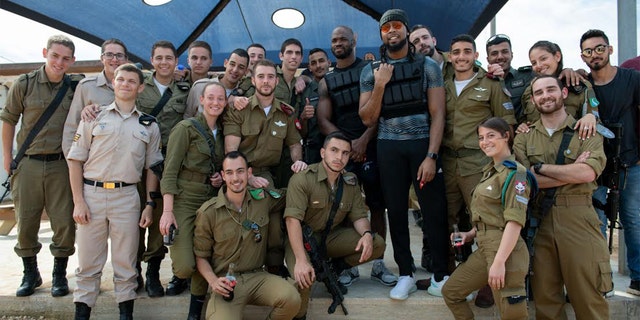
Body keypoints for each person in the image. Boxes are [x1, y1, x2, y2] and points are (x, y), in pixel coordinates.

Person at [359, 9, 450, 300]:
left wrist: (432, 156)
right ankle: (406, 274)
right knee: (395, 212)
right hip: (389, 148)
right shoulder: (369, 71)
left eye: (397, 25)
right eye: (386, 28)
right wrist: (381, 84)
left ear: (406, 31)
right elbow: (367, 118)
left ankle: (440, 275)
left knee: (434, 212)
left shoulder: (427, 67)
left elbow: (438, 115)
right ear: (381, 35)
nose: (391, 31)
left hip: (422, 145)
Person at [68, 63, 163, 319]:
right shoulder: (93, 117)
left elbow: (153, 168)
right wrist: (79, 201)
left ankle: (125, 314)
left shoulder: (149, 126)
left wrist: (149, 204)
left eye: (131, 81)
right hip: (93, 194)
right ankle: (82, 314)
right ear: (113, 83)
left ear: (140, 87)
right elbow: (75, 159)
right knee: (88, 262)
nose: (125, 84)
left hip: (126, 197)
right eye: (120, 80)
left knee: (125, 262)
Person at [513, 75, 611, 319]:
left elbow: (588, 172)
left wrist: (541, 169)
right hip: (540, 220)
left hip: (578, 218)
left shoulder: (585, 131)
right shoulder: (524, 136)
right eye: (539, 93)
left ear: (563, 93)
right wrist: (570, 173)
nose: (545, 96)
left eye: (550, 90)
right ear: (533, 100)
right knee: (546, 303)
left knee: (589, 299)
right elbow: (524, 182)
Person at [1, 34, 80, 298]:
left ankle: (59, 275)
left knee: (64, 223)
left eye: (66, 58)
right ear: (45, 52)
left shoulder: (75, 86)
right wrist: (7, 157)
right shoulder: (24, 83)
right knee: (26, 221)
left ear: (72, 61)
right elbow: (9, 119)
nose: (59, 62)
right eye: (55, 56)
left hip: (60, 164)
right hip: (29, 163)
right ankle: (30, 273)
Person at [317, 25, 396, 288]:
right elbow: (323, 119)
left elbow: (380, 108)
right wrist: (346, 146)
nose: (338, 42)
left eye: (343, 38)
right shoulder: (326, 81)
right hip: (344, 152)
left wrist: (363, 140)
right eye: (334, 39)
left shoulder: (371, 71)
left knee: (376, 205)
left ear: (355, 40)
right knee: (343, 209)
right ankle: (350, 265)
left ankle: (378, 263)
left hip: (371, 146)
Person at [440, 34, 516, 307]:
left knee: (482, 221)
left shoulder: (491, 83)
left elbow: (506, 125)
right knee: (448, 218)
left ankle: (486, 282)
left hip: (478, 162)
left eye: (467, 51)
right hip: (448, 161)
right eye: (456, 52)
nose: (461, 56)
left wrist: (500, 163)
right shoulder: (443, 83)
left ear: (475, 55)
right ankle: (451, 276)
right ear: (450, 56)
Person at [284, 131, 386, 319]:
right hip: (300, 240)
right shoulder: (303, 179)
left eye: (345, 153)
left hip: (329, 238)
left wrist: (366, 234)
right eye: (334, 150)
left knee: (377, 243)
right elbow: (292, 221)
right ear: (323, 152)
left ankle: (334, 267)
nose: (339, 157)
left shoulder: (350, 182)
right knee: (304, 278)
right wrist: (301, 260)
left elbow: (359, 217)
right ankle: (300, 316)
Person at [194, 151, 301, 320]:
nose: (236, 178)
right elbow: (201, 256)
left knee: (292, 298)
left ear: (249, 173)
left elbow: (294, 194)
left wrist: (302, 173)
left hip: (258, 277)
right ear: (222, 175)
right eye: (229, 173)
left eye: (240, 171)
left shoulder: (262, 199)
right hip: (227, 281)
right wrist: (213, 281)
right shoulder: (209, 212)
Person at [223, 59, 307, 274]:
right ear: (253, 80)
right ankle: (237, 267)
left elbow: (294, 142)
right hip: (238, 175)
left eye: (270, 77)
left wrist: (297, 160)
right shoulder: (240, 109)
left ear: (276, 81)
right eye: (261, 77)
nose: (266, 81)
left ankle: (274, 267)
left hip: (266, 174)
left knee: (274, 224)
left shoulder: (286, 112)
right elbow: (231, 151)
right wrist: (247, 177)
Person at [442, 117, 530, 320]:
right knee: (452, 292)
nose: (485, 142)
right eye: (481, 137)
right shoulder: (489, 171)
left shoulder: (516, 174)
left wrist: (499, 262)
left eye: (491, 136)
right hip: (484, 248)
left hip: (506, 251)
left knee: (512, 315)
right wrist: (471, 233)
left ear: (506, 136)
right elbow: (491, 214)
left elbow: (514, 222)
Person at [159, 82, 226, 319]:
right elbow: (170, 171)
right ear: (201, 100)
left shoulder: (223, 132)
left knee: (204, 252)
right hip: (185, 200)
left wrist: (218, 178)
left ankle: (194, 312)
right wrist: (168, 211)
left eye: (220, 99)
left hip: (210, 200)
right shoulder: (185, 128)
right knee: (186, 266)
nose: (215, 103)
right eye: (211, 98)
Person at [581, 29, 640, 296]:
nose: (595, 55)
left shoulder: (631, 79)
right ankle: (601, 279)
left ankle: (638, 277)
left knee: (633, 220)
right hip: (595, 166)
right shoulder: (582, 85)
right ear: (583, 56)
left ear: (610, 50)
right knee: (597, 222)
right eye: (589, 51)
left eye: (599, 48)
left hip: (630, 161)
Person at [136, 40, 191, 298]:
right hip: (139, 160)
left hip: (169, 162)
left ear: (176, 60)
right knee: (137, 215)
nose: (164, 62)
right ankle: (133, 269)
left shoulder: (184, 88)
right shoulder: (139, 85)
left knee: (160, 216)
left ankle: (154, 272)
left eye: (169, 58)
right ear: (151, 59)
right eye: (159, 58)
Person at [63, 38, 129, 157]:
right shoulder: (87, 86)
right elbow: (72, 128)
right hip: (93, 162)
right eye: (109, 55)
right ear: (102, 58)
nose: (114, 59)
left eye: (119, 55)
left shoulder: (135, 86)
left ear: (126, 60)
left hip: (126, 160)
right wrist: (73, 164)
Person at [519, 41, 597, 133]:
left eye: (543, 59)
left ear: (557, 56)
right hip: (537, 145)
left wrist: (591, 117)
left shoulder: (579, 85)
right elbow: (524, 119)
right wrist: (522, 126)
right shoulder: (530, 91)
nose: (539, 65)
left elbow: (595, 114)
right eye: (534, 63)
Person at [485, 34, 534, 120]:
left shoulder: (528, 76)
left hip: (523, 131)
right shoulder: (482, 83)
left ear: (511, 55)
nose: (500, 57)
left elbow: (552, 78)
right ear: (488, 59)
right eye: (494, 53)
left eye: (504, 52)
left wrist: (565, 70)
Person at [186, 48, 249, 115]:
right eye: (232, 64)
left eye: (241, 67)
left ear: (246, 71)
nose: (235, 70)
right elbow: (188, 116)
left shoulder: (246, 93)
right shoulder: (200, 86)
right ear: (225, 63)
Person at [300, 48, 330, 164]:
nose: (318, 66)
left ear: (329, 63)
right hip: (314, 151)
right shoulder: (304, 92)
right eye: (313, 63)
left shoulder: (339, 84)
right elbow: (301, 134)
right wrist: (303, 118)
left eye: (321, 61)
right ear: (309, 68)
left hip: (340, 146)